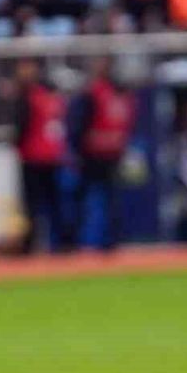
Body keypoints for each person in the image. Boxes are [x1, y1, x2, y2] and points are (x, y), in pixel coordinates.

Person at [70, 59, 136, 251]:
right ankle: (97, 241)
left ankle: (99, 242)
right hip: (100, 154)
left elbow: (78, 125)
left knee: (101, 200)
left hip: (102, 154)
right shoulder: (107, 94)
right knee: (100, 200)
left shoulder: (100, 93)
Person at [13, 59, 67, 254]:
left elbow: (22, 127)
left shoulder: (31, 98)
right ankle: (59, 243)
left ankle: (32, 245)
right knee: (54, 203)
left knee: (33, 205)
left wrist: (16, 144)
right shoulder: (54, 99)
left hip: (33, 156)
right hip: (53, 156)